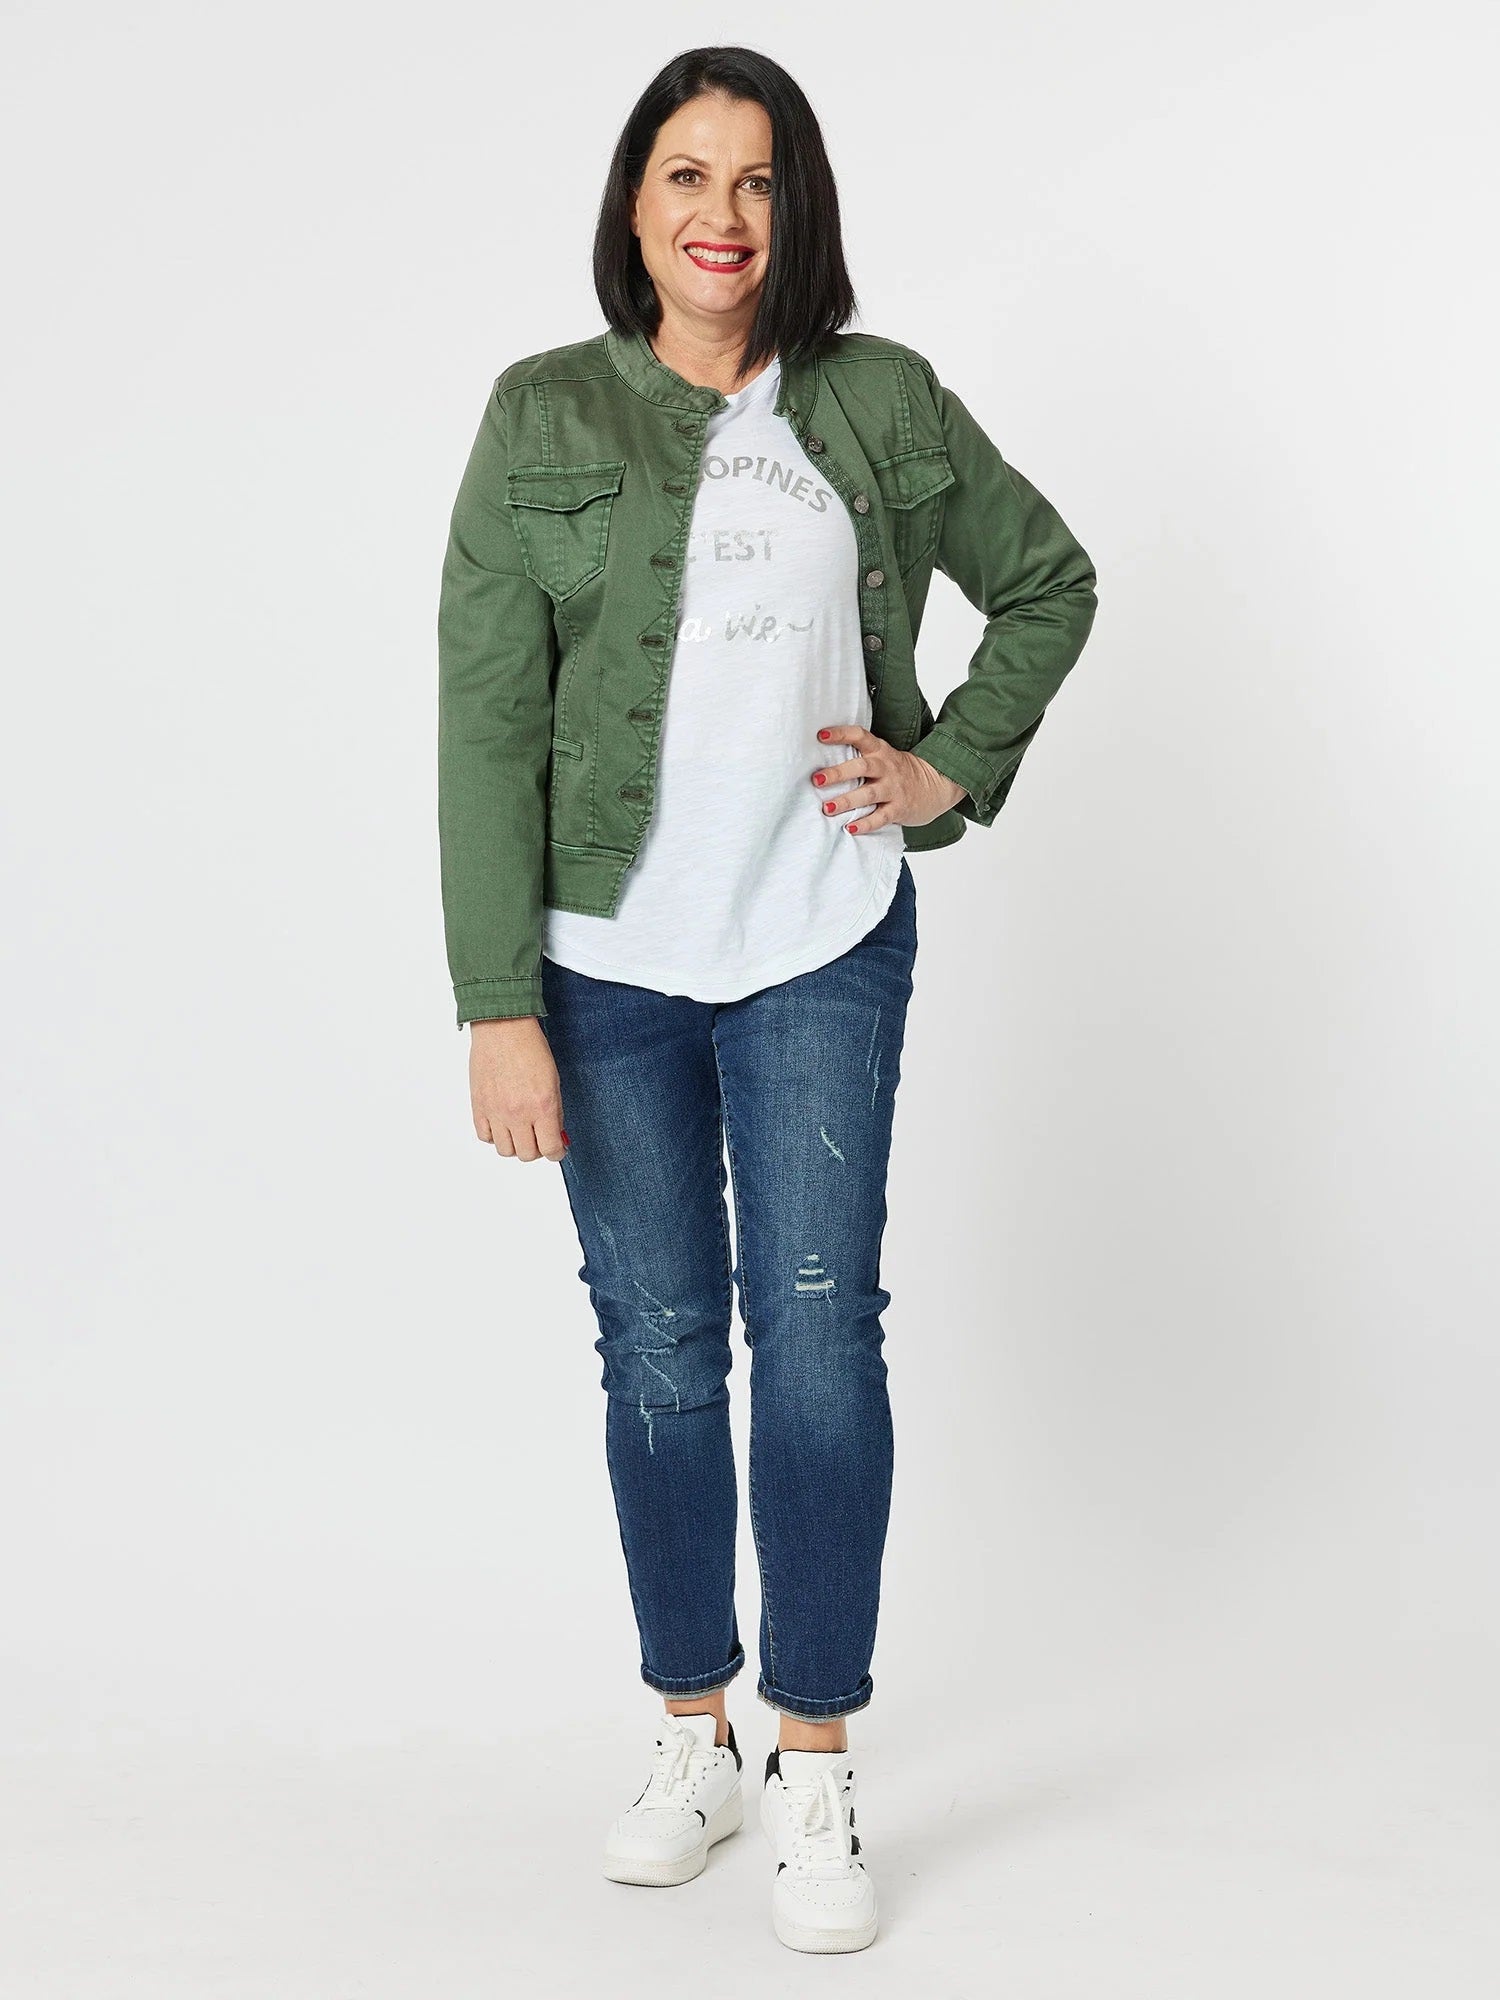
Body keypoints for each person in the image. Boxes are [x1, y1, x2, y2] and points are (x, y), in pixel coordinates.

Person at [436, 44, 1098, 1955]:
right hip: (605, 965)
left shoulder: (877, 401)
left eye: (758, 179)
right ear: (634, 204)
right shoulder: (541, 414)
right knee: (655, 1346)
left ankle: (815, 1758)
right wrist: (494, 997)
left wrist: (944, 766)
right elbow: (484, 719)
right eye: (687, 175)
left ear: (796, 209)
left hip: (819, 938)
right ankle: (690, 1735)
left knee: (816, 1337)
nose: (722, 214)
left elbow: (1047, 581)